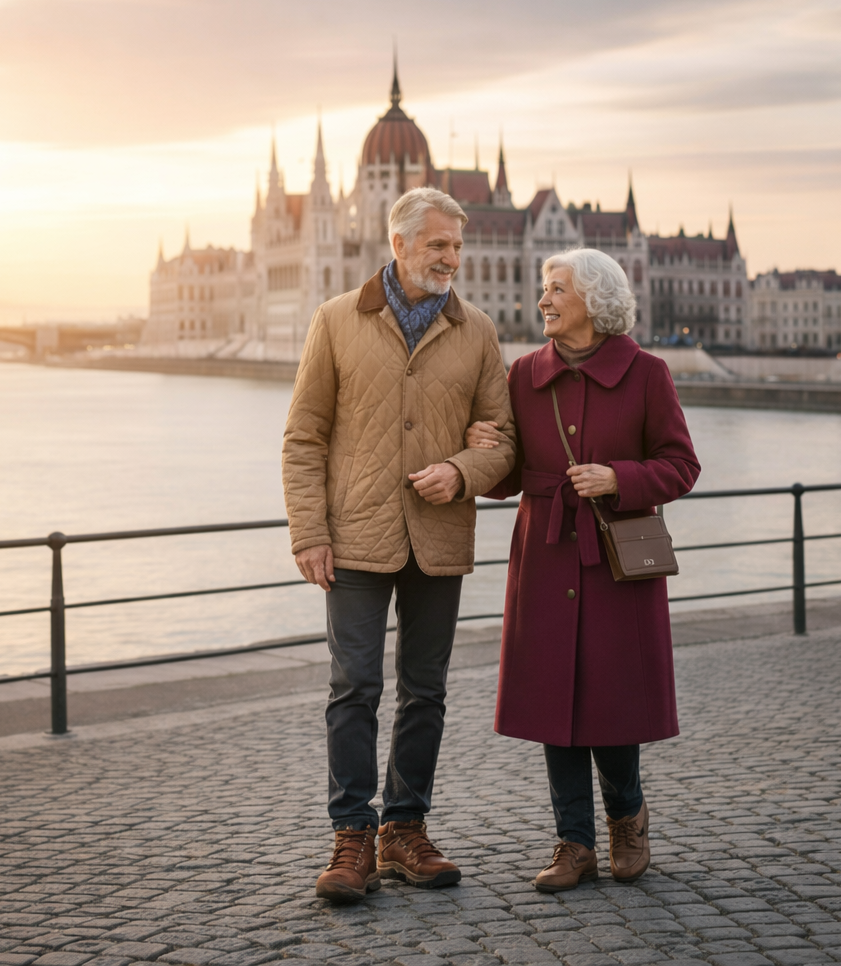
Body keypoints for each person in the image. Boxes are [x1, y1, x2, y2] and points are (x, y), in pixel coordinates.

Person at [283, 187, 517, 904]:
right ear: (399, 244)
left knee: (426, 691)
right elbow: (304, 437)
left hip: (438, 535)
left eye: (457, 246)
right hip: (355, 534)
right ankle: (352, 835)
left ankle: (404, 830)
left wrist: (462, 470)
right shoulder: (335, 320)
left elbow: (505, 440)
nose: (451, 258)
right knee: (353, 687)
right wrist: (309, 532)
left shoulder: (476, 331)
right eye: (438, 244)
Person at [466, 247, 700, 892]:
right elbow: (508, 475)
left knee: (612, 697)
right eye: (545, 288)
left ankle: (627, 818)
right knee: (553, 700)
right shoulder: (522, 374)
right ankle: (573, 843)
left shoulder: (648, 373)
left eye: (557, 289)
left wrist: (618, 478)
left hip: (616, 560)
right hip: (545, 555)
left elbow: (681, 465)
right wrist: (483, 450)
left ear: (594, 301)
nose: (543, 299)